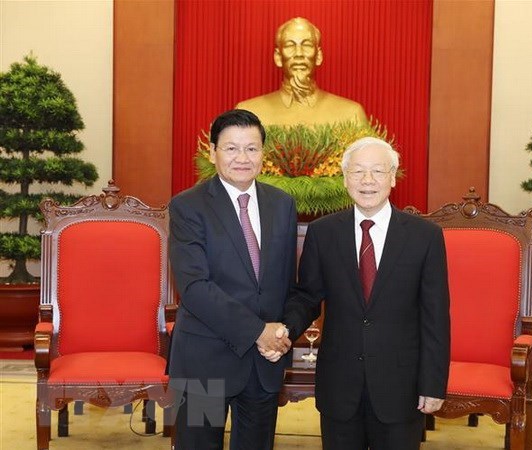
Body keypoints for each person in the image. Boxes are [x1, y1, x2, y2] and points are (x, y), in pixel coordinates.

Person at [272, 137, 451, 449]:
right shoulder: (324, 232)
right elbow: (307, 296)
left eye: (378, 171)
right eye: (358, 172)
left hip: (401, 386)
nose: (368, 181)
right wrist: (285, 328)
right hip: (340, 384)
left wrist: (433, 384)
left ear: (393, 177)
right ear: (345, 179)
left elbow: (435, 316)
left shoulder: (425, 236)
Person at [167, 109, 297, 450]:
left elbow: (285, 282)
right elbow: (194, 288)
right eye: (231, 148)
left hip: (262, 364)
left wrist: (280, 334)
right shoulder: (188, 206)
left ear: (263, 154)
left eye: (252, 148)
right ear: (212, 153)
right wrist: (258, 331)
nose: (243, 158)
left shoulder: (282, 204)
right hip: (204, 362)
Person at [236, 17, 369, 127]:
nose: (299, 53)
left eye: (306, 45)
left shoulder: (351, 114)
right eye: (290, 45)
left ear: (318, 56)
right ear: (278, 57)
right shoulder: (248, 112)